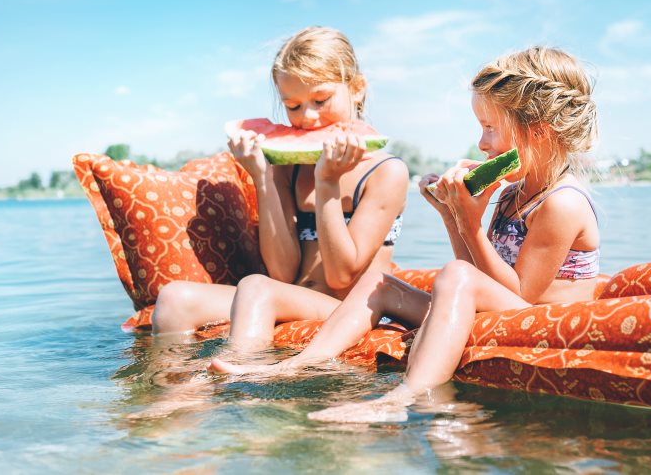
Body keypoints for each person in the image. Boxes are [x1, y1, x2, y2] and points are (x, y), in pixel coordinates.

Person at [209, 46, 600, 424]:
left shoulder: (561, 203)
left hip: (537, 320)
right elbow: (478, 277)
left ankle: (406, 396)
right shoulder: (513, 194)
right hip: (497, 310)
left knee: (454, 276)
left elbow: (521, 296)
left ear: (541, 133)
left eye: (490, 129)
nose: (482, 143)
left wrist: (470, 225)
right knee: (378, 284)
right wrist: (452, 216)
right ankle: (296, 366)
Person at [152, 26, 409, 347]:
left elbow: (341, 275)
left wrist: (326, 182)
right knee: (174, 298)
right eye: (293, 106)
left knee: (257, 288)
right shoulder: (288, 168)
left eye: (321, 99)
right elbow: (283, 273)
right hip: (290, 294)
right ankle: (173, 394)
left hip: (348, 306)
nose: (308, 117)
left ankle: (246, 382)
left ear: (356, 89)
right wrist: (263, 178)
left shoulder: (387, 172)